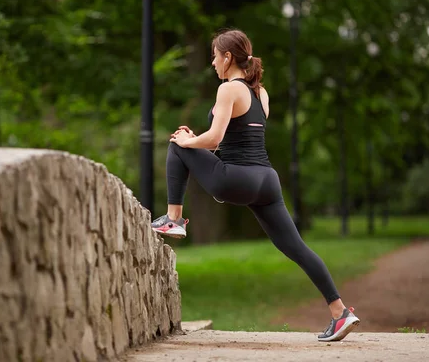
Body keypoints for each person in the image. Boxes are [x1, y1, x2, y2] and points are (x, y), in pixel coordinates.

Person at [151, 29, 360, 342]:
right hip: (266, 181)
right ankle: (340, 312)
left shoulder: (228, 90)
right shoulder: (260, 93)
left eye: (214, 56)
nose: (212, 63)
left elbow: (216, 139)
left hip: (235, 178)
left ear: (228, 58)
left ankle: (174, 219)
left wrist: (188, 141)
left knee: (176, 146)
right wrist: (197, 141)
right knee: (297, 248)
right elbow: (236, 143)